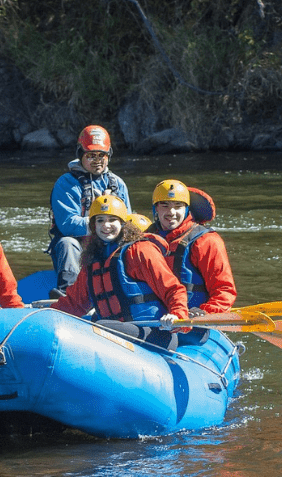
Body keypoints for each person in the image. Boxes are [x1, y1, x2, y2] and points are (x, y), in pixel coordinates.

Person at [50, 195, 190, 350]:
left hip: (155, 334)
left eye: (112, 220)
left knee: (98, 326)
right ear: (93, 225)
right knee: (95, 321)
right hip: (116, 333)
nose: (106, 225)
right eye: (100, 220)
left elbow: (173, 289)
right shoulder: (93, 260)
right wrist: (46, 316)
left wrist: (177, 314)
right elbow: (74, 303)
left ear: (123, 223)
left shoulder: (139, 251)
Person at [47, 125, 131, 297]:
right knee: (66, 243)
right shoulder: (66, 183)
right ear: (80, 154)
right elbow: (68, 225)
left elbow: (128, 222)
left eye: (102, 155)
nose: (97, 160)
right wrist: (101, 221)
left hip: (110, 244)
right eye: (91, 155)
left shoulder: (118, 184)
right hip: (79, 247)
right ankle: (69, 294)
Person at [149, 180, 237, 313]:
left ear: (187, 209)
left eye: (178, 206)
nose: (171, 212)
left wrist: (205, 314)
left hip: (194, 319)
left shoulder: (206, 241)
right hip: (155, 319)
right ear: (156, 208)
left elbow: (224, 290)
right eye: (165, 205)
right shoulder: (145, 240)